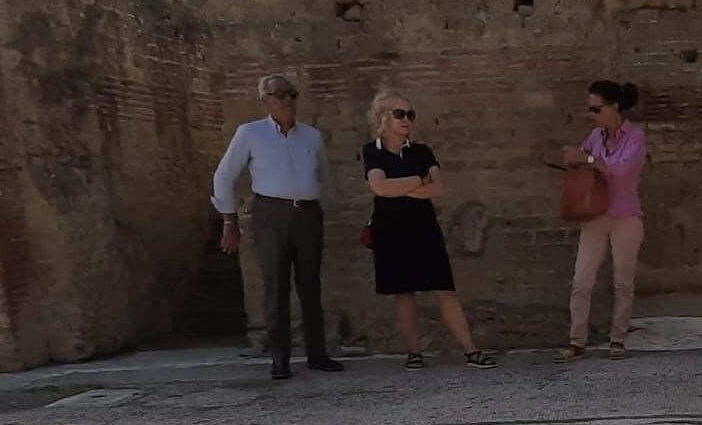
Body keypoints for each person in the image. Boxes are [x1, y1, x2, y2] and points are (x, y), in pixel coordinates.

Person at [212, 74, 341, 380]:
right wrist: (229, 219)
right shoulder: (250, 134)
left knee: (311, 285)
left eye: (291, 94)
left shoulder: (311, 136)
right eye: (279, 94)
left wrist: (322, 208)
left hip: (307, 213)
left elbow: (324, 176)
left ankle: (317, 354)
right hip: (271, 213)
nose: (287, 100)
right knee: (276, 286)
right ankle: (280, 359)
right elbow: (224, 175)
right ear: (265, 100)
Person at [361, 90, 497, 371]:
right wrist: (415, 181)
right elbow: (379, 187)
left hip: (423, 226)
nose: (406, 119)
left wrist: (399, 188)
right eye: (399, 114)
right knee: (404, 291)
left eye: (410, 114)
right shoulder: (372, 150)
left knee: (444, 288)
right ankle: (414, 352)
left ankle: (471, 351)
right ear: (382, 117)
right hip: (391, 229)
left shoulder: (422, 151)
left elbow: (437, 188)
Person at [561, 81, 647, 361]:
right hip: (595, 214)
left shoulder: (635, 137)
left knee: (622, 282)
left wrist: (586, 158)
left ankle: (618, 339)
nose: (592, 115)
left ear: (615, 107)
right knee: (581, 280)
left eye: (596, 108)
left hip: (625, 217)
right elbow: (585, 164)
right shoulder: (595, 137)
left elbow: (621, 171)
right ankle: (577, 341)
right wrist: (574, 159)